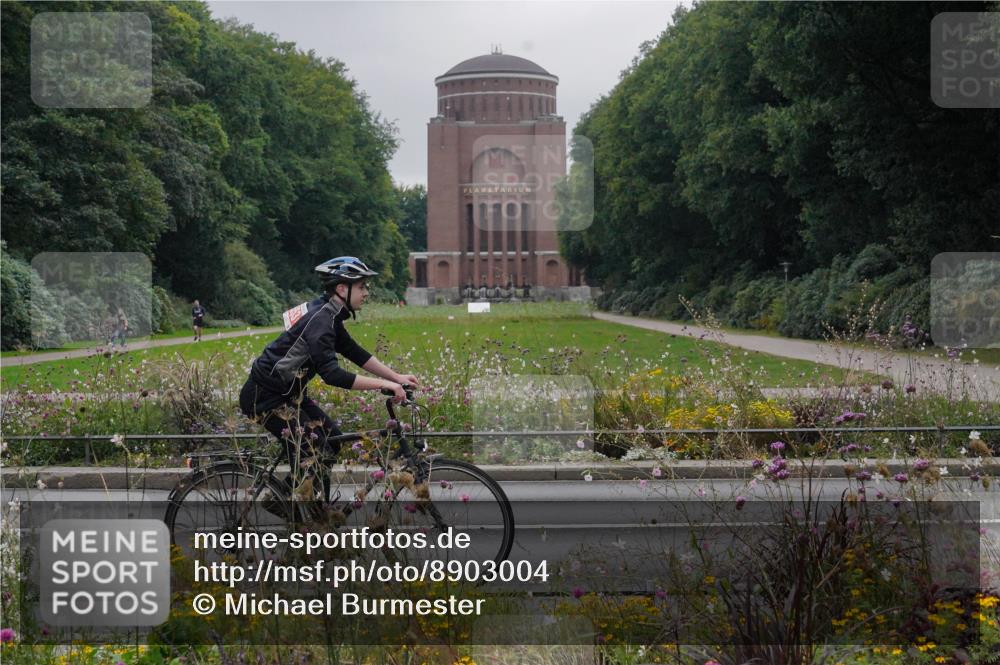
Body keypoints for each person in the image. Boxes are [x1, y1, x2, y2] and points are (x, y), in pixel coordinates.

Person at [239, 256, 420, 501]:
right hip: (265, 398)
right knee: (313, 450)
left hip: (289, 395)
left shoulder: (331, 315)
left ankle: (312, 507)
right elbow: (332, 375)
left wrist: (395, 376)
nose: (366, 292)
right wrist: (384, 384)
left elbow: (354, 352)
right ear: (342, 289)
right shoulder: (322, 320)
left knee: (331, 442)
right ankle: (288, 505)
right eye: (362, 287)